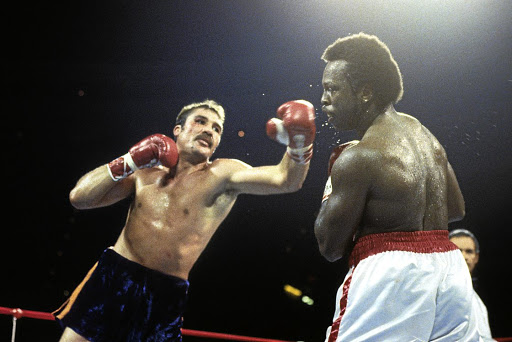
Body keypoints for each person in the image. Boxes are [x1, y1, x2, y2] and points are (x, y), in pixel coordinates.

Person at [53, 99, 316, 342]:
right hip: (114, 277)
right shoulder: (145, 173)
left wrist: (300, 142)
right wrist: (130, 160)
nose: (209, 130)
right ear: (177, 130)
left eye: (216, 128)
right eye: (200, 121)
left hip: (164, 294)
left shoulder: (223, 174)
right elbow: (80, 198)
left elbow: (286, 180)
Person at [314, 33, 480, 341]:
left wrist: (331, 182)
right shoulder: (422, 133)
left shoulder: (358, 156)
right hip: (450, 268)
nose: (324, 99)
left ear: (364, 92)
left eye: (332, 89)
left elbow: (329, 246)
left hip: (391, 279)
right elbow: (456, 210)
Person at [450, 229, 496, 341]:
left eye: (469, 251)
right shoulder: (438, 290)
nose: (463, 256)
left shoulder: (476, 299)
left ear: (476, 257)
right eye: (457, 251)